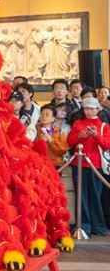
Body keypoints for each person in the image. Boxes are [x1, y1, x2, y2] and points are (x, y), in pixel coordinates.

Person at [67, 97, 110, 237]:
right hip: (78, 164)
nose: (89, 111)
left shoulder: (104, 126)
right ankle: (84, 225)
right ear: (83, 110)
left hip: (95, 164)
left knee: (96, 195)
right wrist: (81, 135)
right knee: (82, 195)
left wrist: (96, 135)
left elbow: (106, 145)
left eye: (92, 108)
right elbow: (70, 141)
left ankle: (98, 225)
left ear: (97, 109)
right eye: (86, 109)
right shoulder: (78, 123)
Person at [35, 104, 69, 169]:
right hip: (39, 164)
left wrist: (51, 141)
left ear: (53, 118)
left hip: (55, 164)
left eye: (47, 115)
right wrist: (40, 141)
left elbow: (62, 150)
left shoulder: (59, 131)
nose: (44, 116)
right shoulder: (35, 130)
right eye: (42, 114)